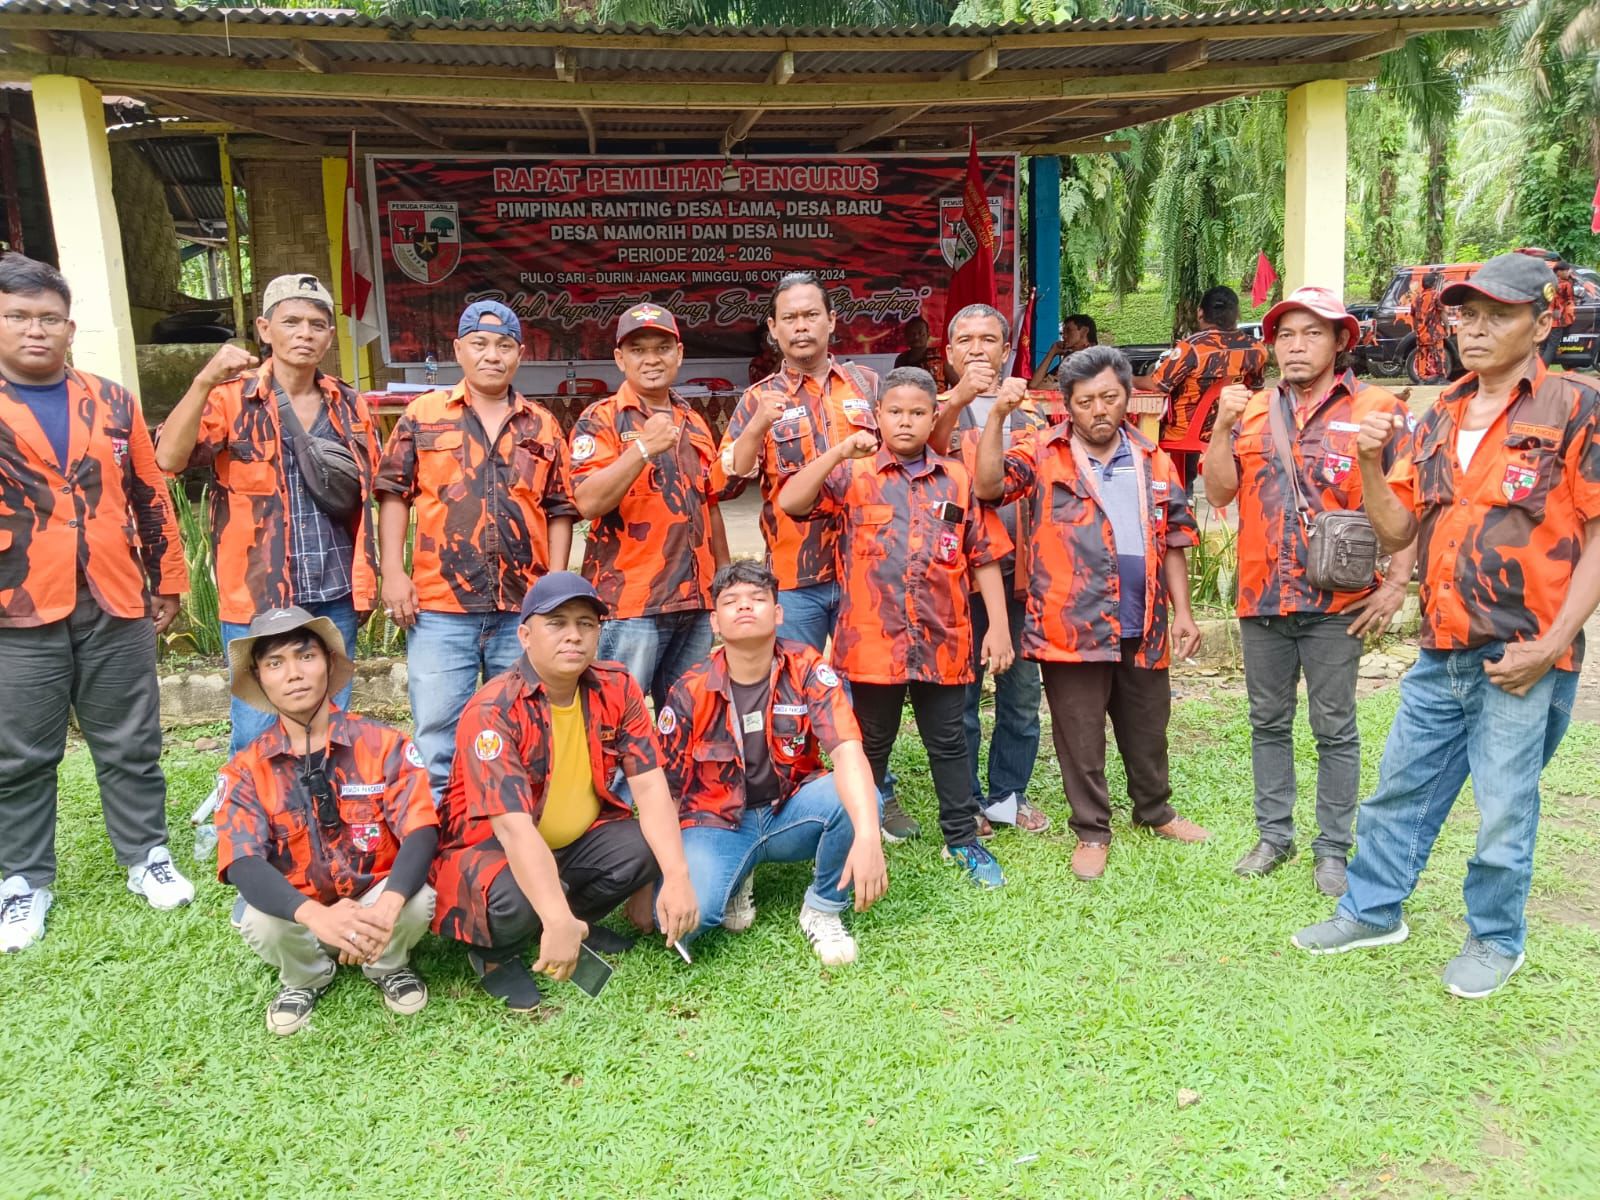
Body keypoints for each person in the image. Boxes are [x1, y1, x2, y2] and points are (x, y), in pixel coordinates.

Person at [1293, 253, 1600, 998]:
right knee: (1398, 789)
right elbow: (1397, 531)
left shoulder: (1574, 406)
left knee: (1503, 806)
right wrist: (1369, 463)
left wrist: (1555, 642)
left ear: (1542, 321)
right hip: (1443, 647)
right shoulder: (1441, 414)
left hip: (1523, 652)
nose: (1476, 328)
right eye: (1467, 314)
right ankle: (1372, 910)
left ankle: (1495, 940)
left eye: (1499, 314)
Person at [0, 254, 193, 953]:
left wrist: (169, 578)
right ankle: (23, 881)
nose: (35, 330)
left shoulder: (111, 401)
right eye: (18, 316)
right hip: (16, 606)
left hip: (114, 598)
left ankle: (147, 857)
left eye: (48, 317)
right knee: (20, 756)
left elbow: (149, 491)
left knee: (132, 742)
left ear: (70, 326)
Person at [1202, 287, 1417, 898]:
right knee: (1267, 721)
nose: (1296, 346)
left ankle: (1331, 849)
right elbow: (1218, 493)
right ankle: (1274, 836)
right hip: (1262, 595)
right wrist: (1220, 426)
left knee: (1334, 726)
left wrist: (1397, 582)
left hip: (1337, 602)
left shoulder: (1378, 407)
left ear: (1340, 342)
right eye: (1286, 335)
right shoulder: (1248, 409)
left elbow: (1406, 502)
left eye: (1312, 334)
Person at [976, 346, 1209, 880]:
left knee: (1149, 726)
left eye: (1109, 397)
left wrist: (1185, 613)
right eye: (1086, 401)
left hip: (1143, 620)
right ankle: (1091, 830)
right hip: (1070, 623)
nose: (1099, 409)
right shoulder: (1041, 453)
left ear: (1127, 397)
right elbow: (989, 487)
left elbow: (1175, 536)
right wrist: (995, 417)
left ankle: (1156, 811)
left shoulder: (1154, 459)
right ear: (1068, 407)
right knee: (1078, 735)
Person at [777, 367, 1014, 888]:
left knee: (949, 742)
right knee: (867, 744)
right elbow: (791, 503)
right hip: (870, 644)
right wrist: (838, 452)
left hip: (942, 639)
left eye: (917, 413)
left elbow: (984, 556)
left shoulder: (956, 477)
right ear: (877, 415)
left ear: (934, 417)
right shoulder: (854, 474)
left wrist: (998, 625)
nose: (905, 422)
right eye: (895, 412)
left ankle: (962, 840)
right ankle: (854, 837)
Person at [430, 572, 699, 1011]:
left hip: (572, 841)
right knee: (514, 900)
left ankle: (567, 923)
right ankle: (496, 953)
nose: (573, 635)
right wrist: (553, 915)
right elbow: (514, 831)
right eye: (556, 623)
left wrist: (677, 876)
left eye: (586, 624)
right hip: (488, 854)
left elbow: (650, 786)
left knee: (645, 848)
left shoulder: (617, 686)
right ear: (525, 635)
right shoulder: (493, 711)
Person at [156, 273, 381, 757]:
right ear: (264, 328)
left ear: (328, 336)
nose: (305, 333)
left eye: (317, 324)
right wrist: (202, 380)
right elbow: (169, 459)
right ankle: (256, 827)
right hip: (258, 595)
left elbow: (372, 493)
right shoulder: (230, 399)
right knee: (258, 731)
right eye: (291, 321)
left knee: (329, 724)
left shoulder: (349, 405)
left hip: (335, 589)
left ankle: (324, 821)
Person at [374, 300, 577, 796]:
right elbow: (392, 494)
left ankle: (524, 841)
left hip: (521, 608)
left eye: (504, 346)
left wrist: (551, 589)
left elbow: (560, 509)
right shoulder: (423, 416)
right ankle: (446, 848)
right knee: (439, 735)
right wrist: (393, 573)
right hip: (442, 606)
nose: (493, 356)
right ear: (459, 350)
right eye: (481, 344)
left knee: (526, 730)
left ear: (520, 355)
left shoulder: (542, 425)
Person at [213, 607, 438, 1035]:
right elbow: (243, 863)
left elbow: (421, 829)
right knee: (258, 920)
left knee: (417, 898)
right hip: (302, 912)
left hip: (374, 902)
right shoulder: (243, 770)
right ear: (260, 679)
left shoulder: (385, 744)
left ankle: (388, 963)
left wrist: (387, 906)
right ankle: (305, 977)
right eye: (275, 663)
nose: (294, 673)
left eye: (305, 656)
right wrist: (318, 917)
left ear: (329, 663)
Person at [657, 560, 887, 965]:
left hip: (789, 810)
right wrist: (665, 877)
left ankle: (822, 907)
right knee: (686, 922)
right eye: (731, 601)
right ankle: (734, 877)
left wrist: (869, 837)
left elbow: (847, 750)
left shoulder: (808, 669)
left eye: (758, 599)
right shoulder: (690, 688)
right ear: (715, 621)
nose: (745, 607)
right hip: (717, 824)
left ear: (778, 613)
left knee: (861, 798)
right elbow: (665, 791)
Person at [928, 302, 1049, 836]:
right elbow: (924, 454)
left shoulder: (1029, 411)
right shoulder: (926, 407)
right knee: (962, 698)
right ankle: (970, 800)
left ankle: (1009, 795)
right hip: (952, 578)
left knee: (1021, 695)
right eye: (966, 340)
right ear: (950, 353)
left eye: (988, 339)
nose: (977, 348)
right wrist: (958, 401)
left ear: (1006, 350)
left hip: (1019, 576)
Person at [568, 304, 723, 708]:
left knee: (687, 722)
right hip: (632, 603)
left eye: (662, 347)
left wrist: (723, 584)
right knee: (621, 721)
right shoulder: (599, 420)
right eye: (638, 349)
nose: (652, 359)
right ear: (620, 358)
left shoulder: (694, 421)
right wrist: (641, 448)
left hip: (696, 600)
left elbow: (711, 507)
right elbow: (587, 502)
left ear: (680, 354)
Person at [716, 271, 879, 651]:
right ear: (773, 328)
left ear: (832, 320)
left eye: (811, 315)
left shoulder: (868, 384)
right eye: (789, 318)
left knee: (866, 697)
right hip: (795, 579)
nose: (801, 327)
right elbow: (726, 483)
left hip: (867, 567)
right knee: (797, 691)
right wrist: (756, 426)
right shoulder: (760, 398)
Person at [1137, 285, 1268, 472]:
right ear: (1237, 313)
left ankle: (1166, 488)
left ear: (1201, 313)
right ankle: (1188, 486)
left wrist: (1130, 379)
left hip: (1186, 432)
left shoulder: (1192, 348)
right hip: (1234, 428)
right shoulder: (1256, 349)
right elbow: (1256, 391)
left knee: (1137, 428)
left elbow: (1157, 386)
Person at [1029, 314, 1098, 388]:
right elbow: (1033, 385)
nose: (1064, 336)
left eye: (1068, 331)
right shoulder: (1070, 356)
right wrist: (1052, 352)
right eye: (1063, 332)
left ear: (1084, 331)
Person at [1411, 271, 1450, 384]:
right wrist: (1447, 327)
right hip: (1434, 333)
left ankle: (1421, 378)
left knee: (1422, 355)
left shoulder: (1417, 298)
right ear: (1433, 284)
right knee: (1438, 354)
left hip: (1421, 333)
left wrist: (1417, 330)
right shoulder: (1435, 296)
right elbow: (1442, 312)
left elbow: (1413, 316)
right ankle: (1441, 378)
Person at [1543, 261, 1577, 366]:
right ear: (1559, 272)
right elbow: (1570, 299)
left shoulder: (1547, 282)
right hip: (1556, 320)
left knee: (1543, 346)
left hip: (1544, 318)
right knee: (1552, 346)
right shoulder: (1565, 284)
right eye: (1566, 271)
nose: (1568, 273)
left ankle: (1536, 370)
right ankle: (1542, 370)